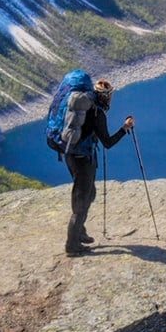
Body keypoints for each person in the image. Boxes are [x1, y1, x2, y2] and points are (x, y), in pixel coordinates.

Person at [60, 78, 133, 256]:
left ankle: (80, 231)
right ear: (105, 97)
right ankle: (72, 245)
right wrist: (124, 128)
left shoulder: (80, 107)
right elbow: (107, 142)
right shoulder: (96, 113)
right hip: (83, 160)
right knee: (82, 201)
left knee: (88, 193)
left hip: (70, 154)